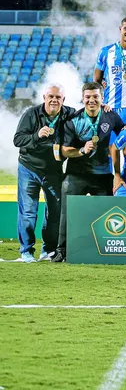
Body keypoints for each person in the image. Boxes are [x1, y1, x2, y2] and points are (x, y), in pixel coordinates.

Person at [56, 82, 124, 262]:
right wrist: (81, 151)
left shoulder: (111, 116)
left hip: (102, 174)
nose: (91, 100)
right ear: (82, 98)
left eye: (95, 97)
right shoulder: (74, 120)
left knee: (108, 213)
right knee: (66, 210)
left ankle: (104, 249)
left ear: (102, 98)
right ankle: (62, 250)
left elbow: (124, 132)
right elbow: (64, 150)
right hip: (76, 173)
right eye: (88, 97)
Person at [12, 83, 76, 262]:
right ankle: (26, 251)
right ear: (44, 98)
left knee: (55, 211)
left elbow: (88, 116)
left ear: (63, 100)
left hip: (53, 170)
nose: (54, 100)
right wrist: (36, 135)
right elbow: (17, 139)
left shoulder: (70, 114)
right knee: (28, 212)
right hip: (28, 168)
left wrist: (103, 107)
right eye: (51, 97)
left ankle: (48, 250)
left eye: (58, 97)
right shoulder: (31, 114)